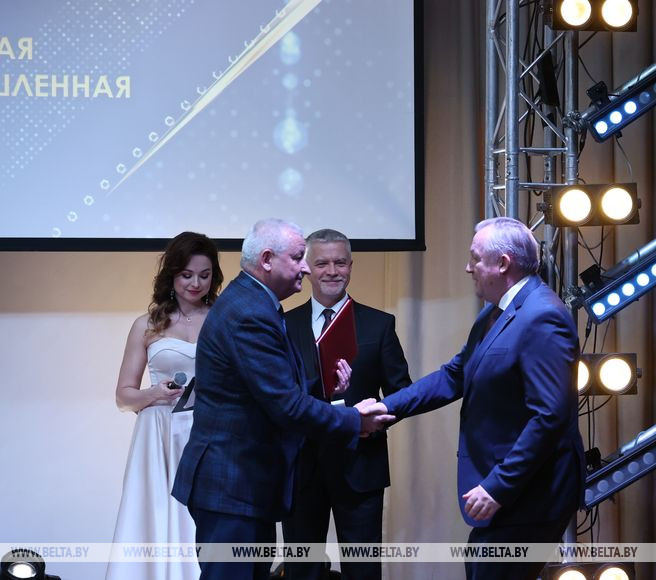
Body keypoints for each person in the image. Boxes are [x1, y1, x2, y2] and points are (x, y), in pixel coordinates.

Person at [171, 218, 393, 580]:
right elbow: (286, 406)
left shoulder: (255, 302)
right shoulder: (250, 313)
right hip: (232, 487)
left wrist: (330, 394)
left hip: (243, 488)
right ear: (267, 260)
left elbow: (273, 391)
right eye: (298, 257)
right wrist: (355, 420)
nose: (306, 267)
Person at [367, 217, 586, 580]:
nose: (468, 268)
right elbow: (454, 375)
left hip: (534, 491)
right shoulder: (496, 311)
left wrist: (498, 486)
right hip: (514, 490)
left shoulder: (542, 316)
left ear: (503, 264)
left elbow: (550, 417)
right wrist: (386, 407)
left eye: (475, 258)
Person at [281, 229, 412, 580]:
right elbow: (278, 396)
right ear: (306, 268)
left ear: (351, 266)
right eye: (322, 263)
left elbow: (401, 392)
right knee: (302, 569)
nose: (332, 271)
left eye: (340, 263)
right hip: (302, 468)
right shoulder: (284, 325)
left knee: (363, 569)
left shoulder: (379, 324)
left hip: (361, 464)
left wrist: (372, 420)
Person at [107, 231, 224, 580]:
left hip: (209, 430)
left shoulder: (223, 320)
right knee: (156, 512)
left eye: (204, 275)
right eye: (187, 275)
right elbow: (123, 396)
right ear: (171, 274)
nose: (195, 283)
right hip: (158, 432)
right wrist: (155, 394)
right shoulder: (147, 325)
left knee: (204, 519)